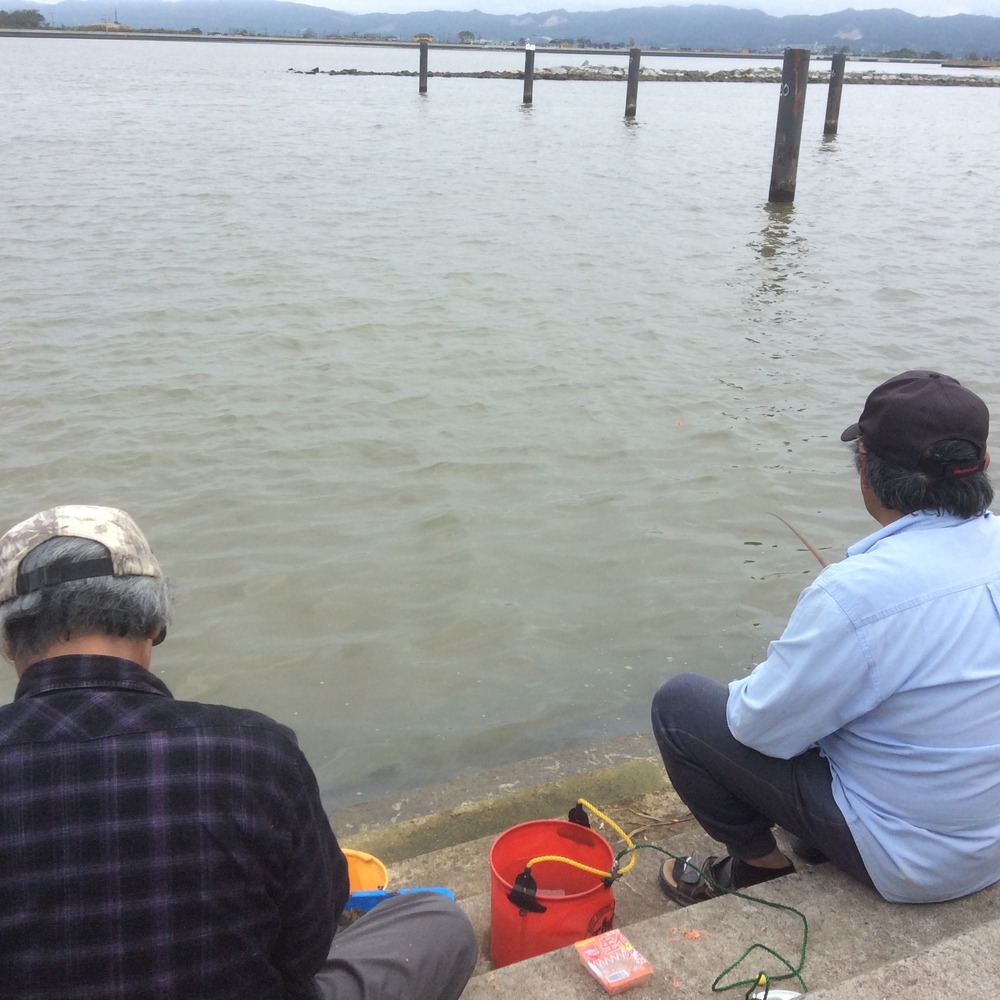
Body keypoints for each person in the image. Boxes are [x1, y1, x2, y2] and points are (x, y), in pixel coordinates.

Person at [0, 504, 478, 999]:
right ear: (153, 625)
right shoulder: (256, 753)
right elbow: (307, 948)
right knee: (435, 920)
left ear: (11, 643)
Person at [651, 370, 1000, 906]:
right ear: (983, 464)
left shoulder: (856, 593)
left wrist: (777, 674)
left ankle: (758, 867)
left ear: (866, 467)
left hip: (915, 864)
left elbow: (757, 726)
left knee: (681, 706)